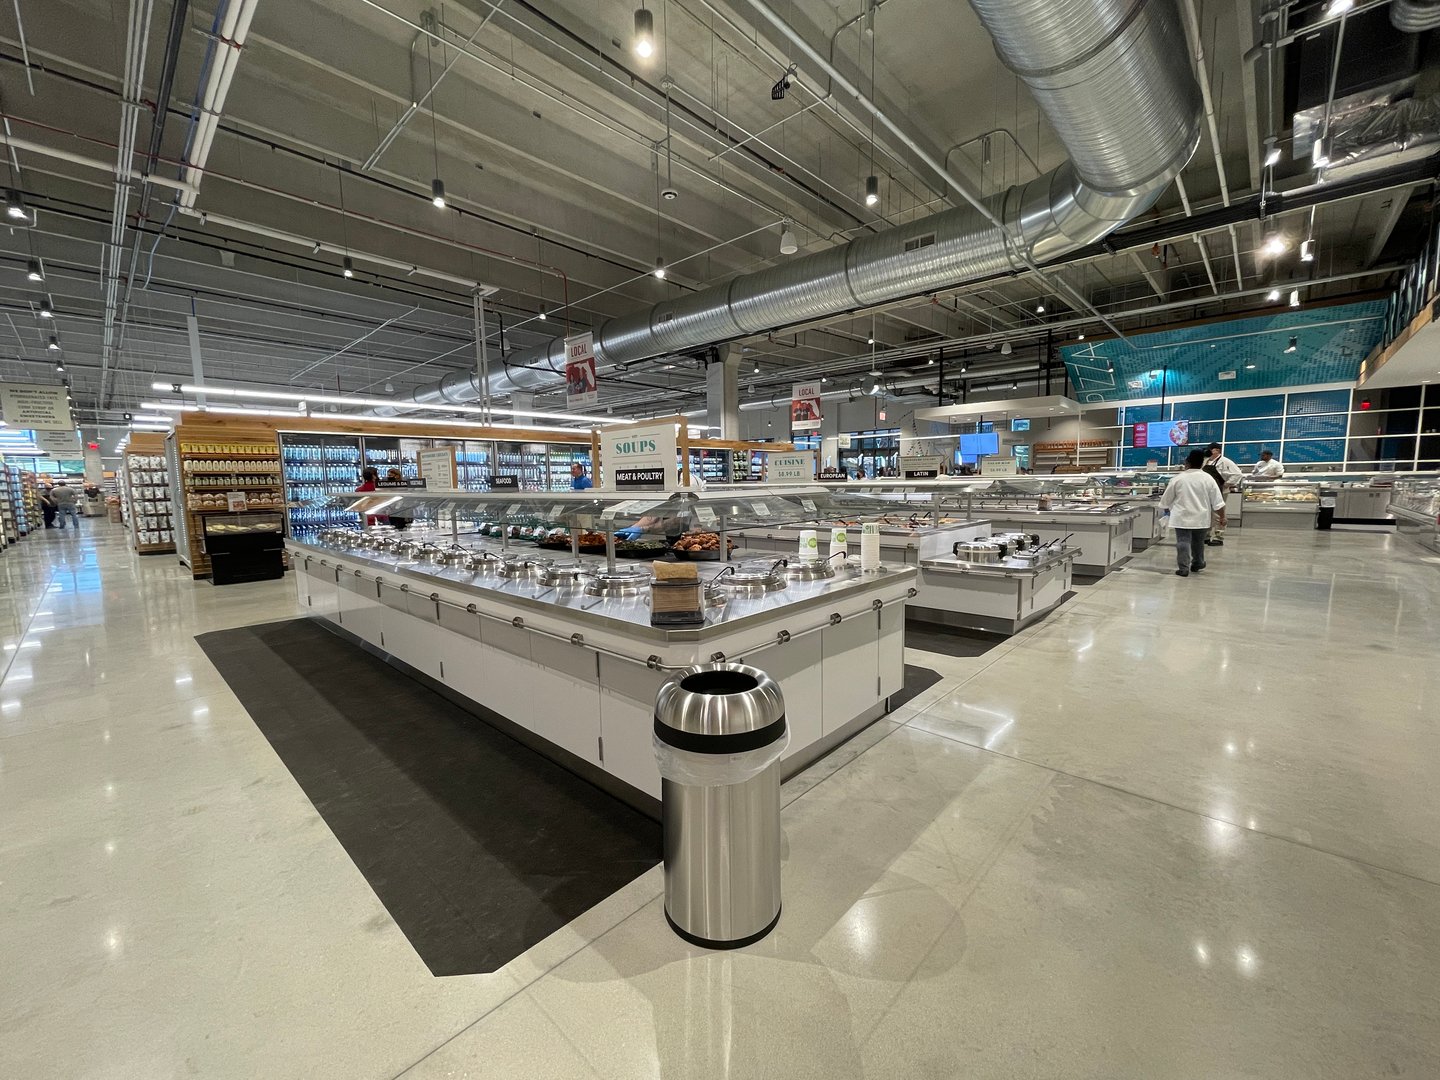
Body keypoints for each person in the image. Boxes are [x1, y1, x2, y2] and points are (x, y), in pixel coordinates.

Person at [1160, 449, 1225, 578]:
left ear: (1187, 462)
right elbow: (1217, 501)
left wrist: (1165, 508)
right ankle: (1198, 562)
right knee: (1198, 542)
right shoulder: (1208, 478)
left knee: (1183, 541)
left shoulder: (1178, 479)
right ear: (1202, 463)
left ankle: (1183, 568)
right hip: (1201, 516)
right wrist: (1223, 516)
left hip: (1181, 516)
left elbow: (1166, 499)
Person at [1203, 442, 1241, 546]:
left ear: (1217, 450)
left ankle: (1218, 537)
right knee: (1208, 514)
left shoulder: (1225, 461)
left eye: (1210, 449)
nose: (1208, 451)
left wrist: (1226, 484)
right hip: (1207, 492)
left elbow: (1237, 474)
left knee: (1218, 514)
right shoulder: (1206, 461)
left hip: (1220, 491)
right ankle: (1206, 535)